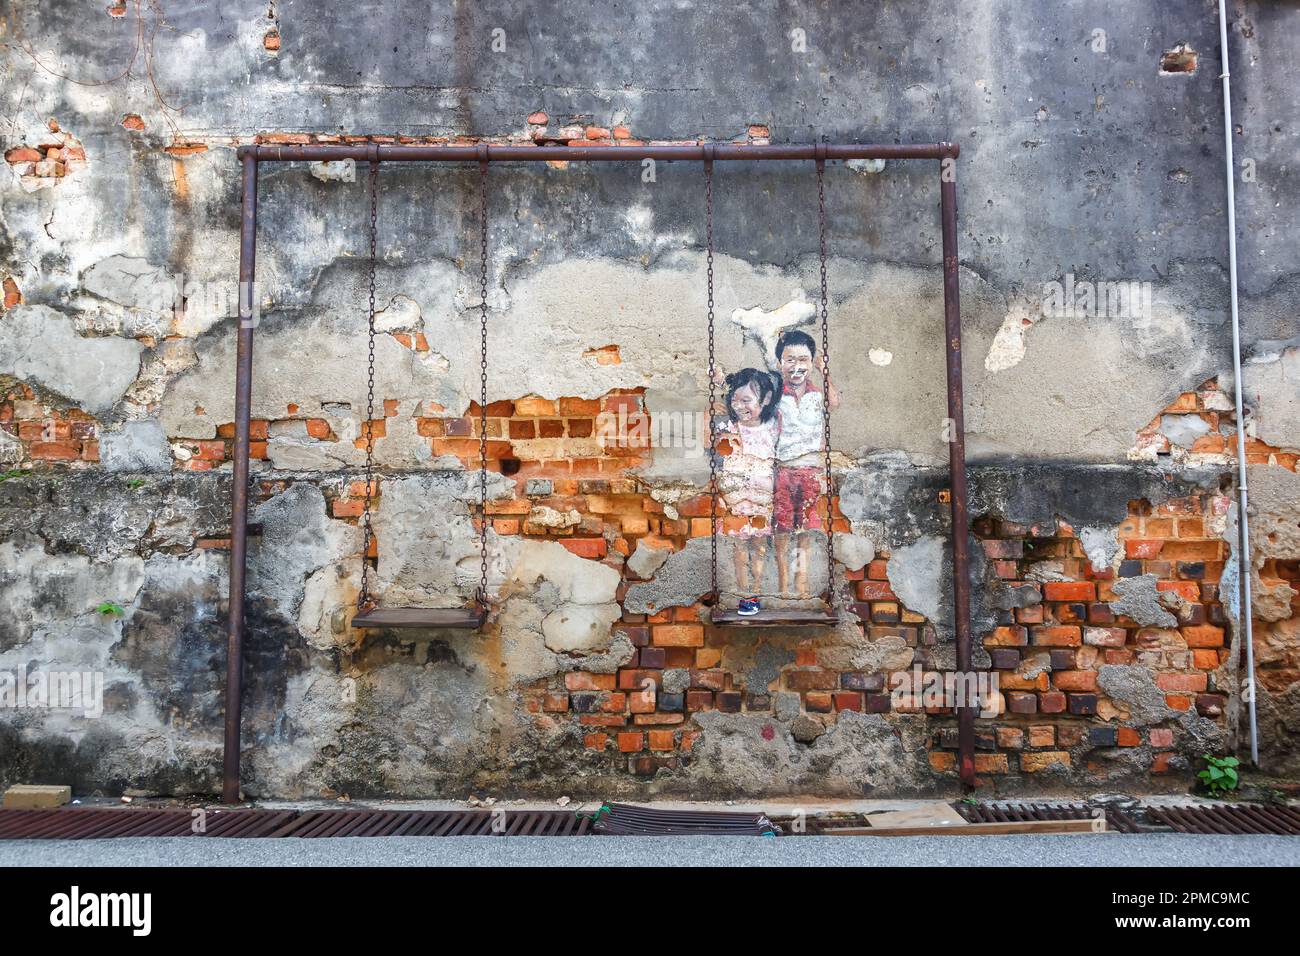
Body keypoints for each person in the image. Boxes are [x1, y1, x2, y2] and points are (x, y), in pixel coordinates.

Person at [771, 328, 839, 598]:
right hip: (783, 470)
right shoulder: (775, 395)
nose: (796, 367)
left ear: (811, 363)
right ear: (780, 364)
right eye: (790, 360)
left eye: (803, 360)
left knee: (807, 529)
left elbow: (834, 402)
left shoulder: (817, 395)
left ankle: (801, 580)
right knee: (783, 528)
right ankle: (783, 582)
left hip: (811, 471)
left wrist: (825, 372)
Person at [715, 368, 781, 613]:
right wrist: (720, 386)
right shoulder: (730, 426)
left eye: (747, 400)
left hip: (762, 499)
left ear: (764, 401)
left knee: (759, 547)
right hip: (737, 498)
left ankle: (754, 594)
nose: (740, 406)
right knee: (740, 548)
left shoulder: (772, 426)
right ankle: (745, 594)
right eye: (736, 400)